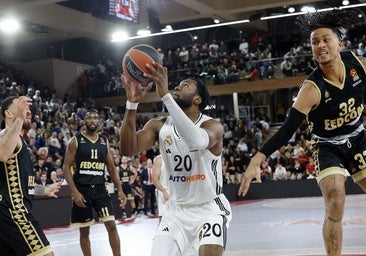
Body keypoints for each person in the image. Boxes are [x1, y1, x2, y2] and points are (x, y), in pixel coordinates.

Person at [238, 10, 366, 256]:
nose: (320, 45)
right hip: (328, 146)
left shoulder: (358, 64)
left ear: (339, 43)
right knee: (335, 201)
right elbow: (286, 130)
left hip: (358, 136)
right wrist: (258, 158)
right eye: (314, 42)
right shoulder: (311, 88)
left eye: (325, 39)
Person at [120, 64, 232, 256]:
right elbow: (127, 148)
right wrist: (132, 104)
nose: (178, 87)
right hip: (176, 211)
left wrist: (166, 96)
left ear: (198, 99)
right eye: (178, 85)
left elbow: (196, 141)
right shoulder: (159, 125)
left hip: (209, 208)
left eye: (185, 86)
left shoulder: (212, 126)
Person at [0, 96, 61, 256]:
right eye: (21, 107)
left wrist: (45, 191)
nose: (27, 112)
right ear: (9, 113)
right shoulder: (5, 135)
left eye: (27, 108)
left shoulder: (20, 141)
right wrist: (19, 120)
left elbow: (23, 186)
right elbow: (1, 154)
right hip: (13, 212)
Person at [62, 109, 127, 256]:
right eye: (89, 118)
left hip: (100, 189)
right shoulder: (76, 140)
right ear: (84, 121)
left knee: (111, 225)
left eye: (95, 118)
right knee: (84, 230)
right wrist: (74, 192)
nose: (92, 120)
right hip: (82, 190)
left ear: (99, 121)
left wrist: (120, 190)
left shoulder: (104, 141)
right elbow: (66, 167)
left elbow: (111, 167)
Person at [151, 154, 170, 223]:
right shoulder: (159, 159)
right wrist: (164, 191)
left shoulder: (176, 156)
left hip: (176, 191)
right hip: (164, 190)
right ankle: (161, 233)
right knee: (163, 218)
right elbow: (155, 179)